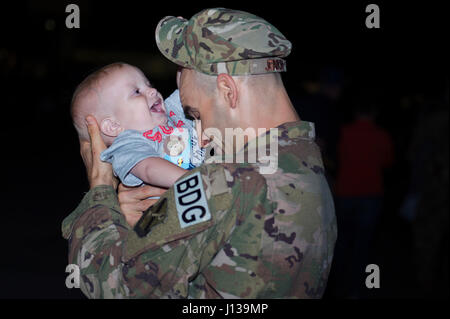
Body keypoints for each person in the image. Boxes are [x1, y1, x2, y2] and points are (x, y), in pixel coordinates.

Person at [62, 8, 337, 298]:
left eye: (196, 114)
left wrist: (101, 193)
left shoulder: (224, 183)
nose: (200, 135)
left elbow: (113, 284)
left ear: (228, 90)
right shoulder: (306, 159)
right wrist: (155, 219)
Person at [70, 62, 204, 189]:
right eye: (137, 92)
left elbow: (187, 87)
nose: (152, 90)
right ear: (113, 126)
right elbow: (149, 169)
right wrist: (198, 180)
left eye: (148, 84)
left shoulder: (170, 112)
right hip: (189, 199)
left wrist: (186, 63)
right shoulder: (127, 145)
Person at [331, 100, 394, 298]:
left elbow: (335, 158)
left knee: (340, 242)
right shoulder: (382, 135)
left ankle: (335, 286)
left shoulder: (343, 132)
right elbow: (388, 162)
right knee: (363, 244)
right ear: (374, 113)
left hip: (344, 193)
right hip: (371, 195)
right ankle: (357, 288)